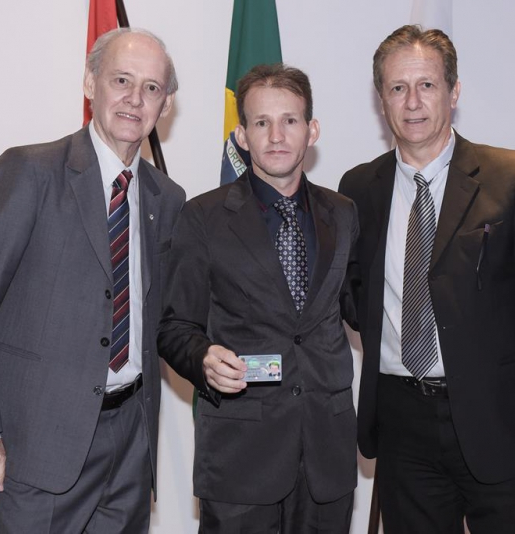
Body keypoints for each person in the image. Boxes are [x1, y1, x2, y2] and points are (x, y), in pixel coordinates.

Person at [0, 28, 185, 533]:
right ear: (91, 83)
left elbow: (162, 317)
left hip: (130, 447)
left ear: (165, 105)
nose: (135, 99)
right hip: (37, 448)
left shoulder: (167, 198)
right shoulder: (30, 172)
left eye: (152, 88)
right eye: (121, 80)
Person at [338, 25, 515, 534]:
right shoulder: (358, 188)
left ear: (454, 91)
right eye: (398, 88)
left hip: (501, 422)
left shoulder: (512, 176)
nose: (413, 102)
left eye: (427, 85)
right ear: (381, 99)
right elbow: (355, 297)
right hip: (402, 426)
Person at [158, 63, 359, 533]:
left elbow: (361, 305)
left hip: (326, 457)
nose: (276, 136)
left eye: (289, 120)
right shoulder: (203, 217)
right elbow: (174, 326)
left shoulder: (344, 214)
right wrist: (203, 358)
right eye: (261, 122)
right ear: (242, 136)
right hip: (240, 458)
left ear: (312, 130)